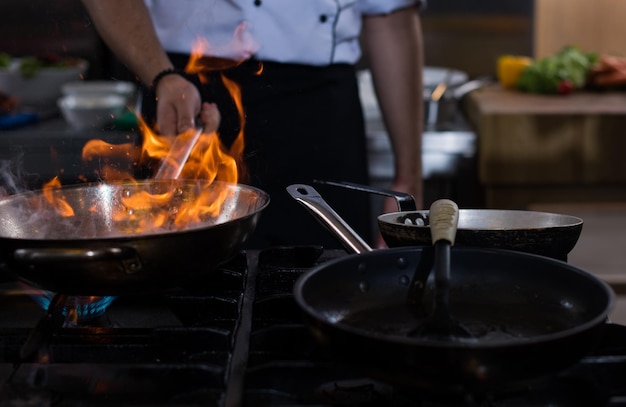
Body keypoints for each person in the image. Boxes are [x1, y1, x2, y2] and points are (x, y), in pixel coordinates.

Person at [80, 0, 425, 249]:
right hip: (184, 97)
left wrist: (408, 176)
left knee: (330, 290)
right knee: (176, 297)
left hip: (318, 118)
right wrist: (161, 74)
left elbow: (390, 16)